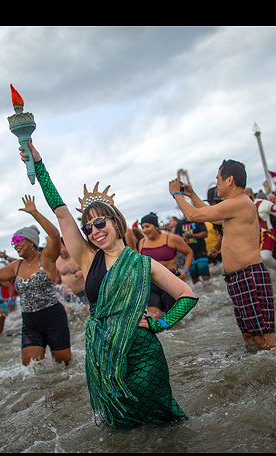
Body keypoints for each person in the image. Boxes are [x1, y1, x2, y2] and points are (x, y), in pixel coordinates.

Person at [23, 140, 197, 428]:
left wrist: (159, 324)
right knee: (119, 428)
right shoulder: (88, 259)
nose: (94, 231)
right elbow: (61, 212)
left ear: (116, 222)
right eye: (88, 227)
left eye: (100, 223)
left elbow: (187, 296)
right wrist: (39, 166)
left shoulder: (144, 263)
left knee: (159, 425)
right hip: (103, 352)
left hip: (142, 353)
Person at [169, 160, 276, 349]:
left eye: (218, 179)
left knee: (263, 338)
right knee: (249, 335)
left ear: (230, 180)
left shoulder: (239, 203)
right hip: (238, 276)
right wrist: (191, 194)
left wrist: (176, 194)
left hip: (248, 275)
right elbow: (207, 212)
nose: (216, 183)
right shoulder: (235, 205)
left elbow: (193, 216)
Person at [0, 195, 71, 366]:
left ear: (31, 242)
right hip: (30, 321)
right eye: (13, 242)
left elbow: (54, 236)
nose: (15, 244)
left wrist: (35, 213)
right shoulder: (16, 266)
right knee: (31, 371)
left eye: (18, 240)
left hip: (53, 318)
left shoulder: (46, 258)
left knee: (64, 366)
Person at [139, 212, 193, 319]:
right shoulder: (142, 242)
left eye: (147, 226)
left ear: (156, 226)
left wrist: (185, 270)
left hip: (170, 281)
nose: (144, 230)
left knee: (174, 322)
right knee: (154, 319)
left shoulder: (171, 238)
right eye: (142, 227)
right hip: (152, 284)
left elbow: (189, 252)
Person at [245, 188, 276, 272]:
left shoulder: (263, 203)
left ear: (252, 194)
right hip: (252, 238)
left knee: (265, 256)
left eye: (247, 194)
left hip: (267, 234)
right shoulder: (240, 208)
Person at [172, 214, 211, 284]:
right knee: (194, 279)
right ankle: (202, 294)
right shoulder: (180, 224)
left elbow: (205, 234)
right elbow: (176, 238)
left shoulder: (198, 221)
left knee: (205, 276)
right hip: (188, 255)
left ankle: (209, 292)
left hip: (200, 250)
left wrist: (191, 235)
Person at [56, 238, 89, 305]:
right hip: (66, 295)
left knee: (87, 312)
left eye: (61, 248)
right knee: (69, 313)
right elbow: (56, 277)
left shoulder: (76, 257)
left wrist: (83, 272)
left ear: (66, 246)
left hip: (81, 292)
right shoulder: (57, 261)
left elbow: (90, 269)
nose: (59, 251)